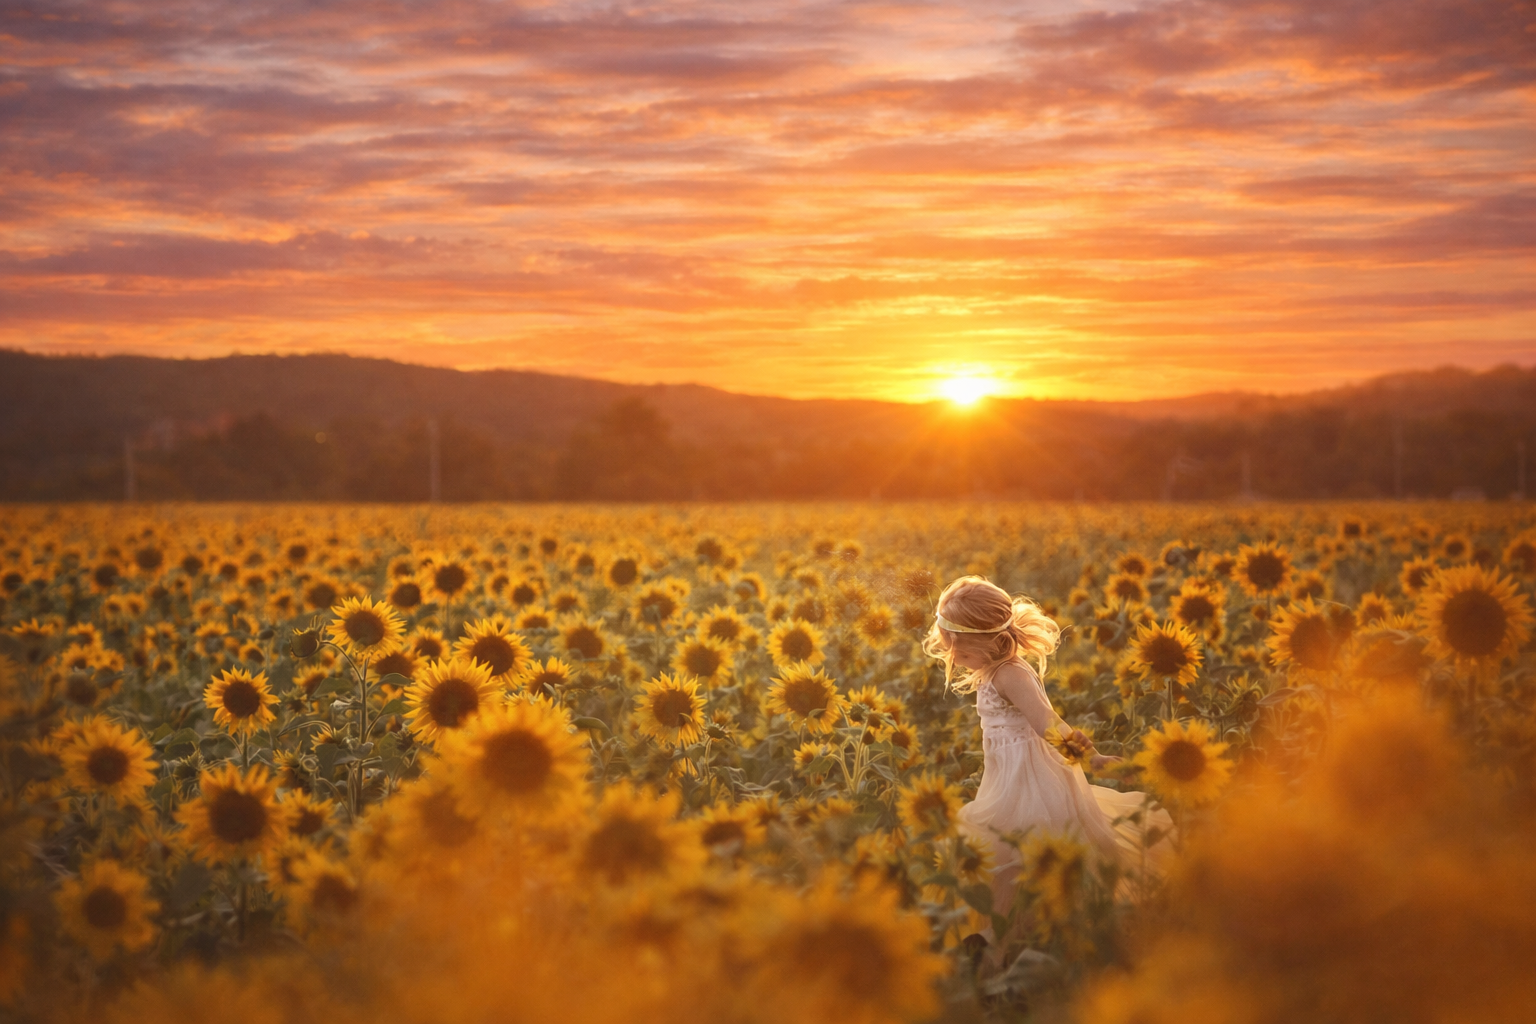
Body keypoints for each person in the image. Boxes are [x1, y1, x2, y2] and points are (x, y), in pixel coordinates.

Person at [923, 575, 1170, 959]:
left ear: (982, 641)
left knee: (1027, 861)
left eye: (959, 652)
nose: (954, 659)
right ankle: (1003, 943)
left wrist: (1092, 757)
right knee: (1009, 860)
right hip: (1008, 778)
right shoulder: (993, 668)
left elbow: (1046, 721)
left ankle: (1000, 947)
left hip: (1033, 783)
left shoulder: (1010, 673)